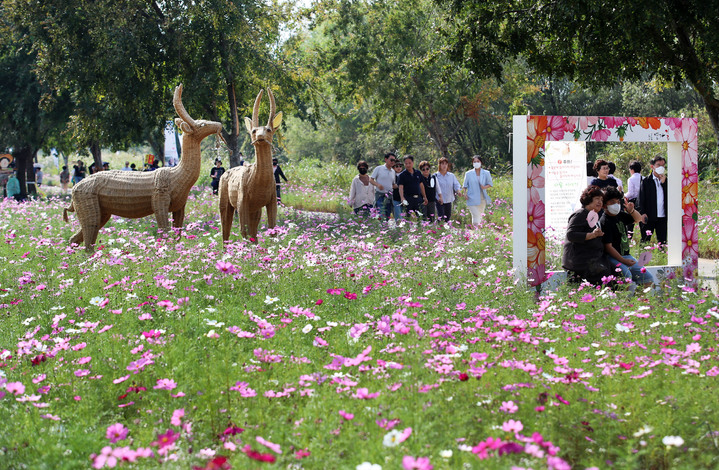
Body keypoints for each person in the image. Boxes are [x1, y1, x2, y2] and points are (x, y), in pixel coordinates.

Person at [600, 186, 654, 287]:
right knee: (626, 277)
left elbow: (638, 219)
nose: (616, 205)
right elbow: (608, 247)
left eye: (617, 202)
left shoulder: (620, 215)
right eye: (612, 202)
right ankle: (624, 301)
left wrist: (632, 211)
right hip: (613, 257)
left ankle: (638, 300)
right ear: (604, 205)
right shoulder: (605, 221)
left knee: (647, 278)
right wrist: (623, 261)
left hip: (627, 256)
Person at [561, 186, 612, 284]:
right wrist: (592, 235)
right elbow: (571, 235)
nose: (600, 202)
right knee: (606, 276)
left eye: (601, 200)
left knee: (618, 273)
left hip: (593, 260)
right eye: (597, 199)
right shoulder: (581, 214)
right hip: (581, 262)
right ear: (588, 199)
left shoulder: (594, 216)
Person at [637, 156, 668, 245]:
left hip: (662, 216)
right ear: (652, 166)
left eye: (663, 165)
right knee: (645, 240)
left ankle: (662, 257)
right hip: (649, 216)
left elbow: (670, 196)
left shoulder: (666, 181)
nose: (661, 167)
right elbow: (641, 198)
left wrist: (664, 183)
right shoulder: (646, 181)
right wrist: (642, 213)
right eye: (658, 165)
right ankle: (643, 258)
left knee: (662, 242)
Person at [461, 155, 493, 227]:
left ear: (481, 162)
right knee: (475, 215)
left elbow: (490, 184)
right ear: (472, 163)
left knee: (480, 215)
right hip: (471, 197)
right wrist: (465, 194)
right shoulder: (468, 174)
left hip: (482, 198)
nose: (476, 163)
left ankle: (477, 234)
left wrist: (484, 187)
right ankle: (476, 230)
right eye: (474, 162)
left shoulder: (486, 173)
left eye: (478, 161)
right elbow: (464, 185)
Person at [434, 157, 461, 223]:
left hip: (448, 200)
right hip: (439, 200)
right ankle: (439, 231)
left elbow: (456, 184)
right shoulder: (435, 176)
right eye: (442, 164)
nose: (444, 165)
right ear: (439, 165)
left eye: (446, 164)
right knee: (441, 217)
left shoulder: (451, 175)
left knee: (447, 218)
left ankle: (446, 232)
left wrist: (458, 191)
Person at [370, 153, 396, 220]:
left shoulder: (393, 171)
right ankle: (381, 228)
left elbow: (393, 184)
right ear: (386, 159)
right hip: (380, 196)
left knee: (388, 215)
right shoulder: (379, 168)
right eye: (391, 160)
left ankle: (385, 229)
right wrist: (378, 185)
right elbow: (371, 180)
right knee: (381, 215)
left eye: (394, 160)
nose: (393, 162)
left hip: (389, 196)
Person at [625, 161, 642, 240]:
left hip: (633, 201)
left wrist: (624, 195)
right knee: (642, 220)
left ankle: (629, 238)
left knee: (631, 221)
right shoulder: (644, 178)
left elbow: (631, 193)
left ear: (632, 170)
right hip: (642, 201)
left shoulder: (631, 179)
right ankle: (644, 238)